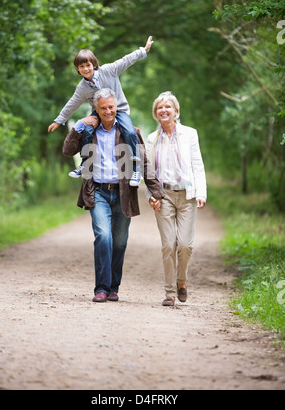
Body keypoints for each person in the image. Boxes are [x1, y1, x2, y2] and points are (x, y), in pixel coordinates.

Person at [62, 88, 164, 303]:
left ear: (116, 107)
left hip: (122, 193)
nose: (108, 111)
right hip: (97, 191)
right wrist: (79, 125)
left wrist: (156, 191)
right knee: (103, 236)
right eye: (103, 108)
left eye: (111, 107)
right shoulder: (89, 131)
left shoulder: (129, 132)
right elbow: (68, 150)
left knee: (119, 242)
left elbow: (144, 162)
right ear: (96, 110)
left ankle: (113, 287)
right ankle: (101, 288)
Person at [48, 36, 154, 186]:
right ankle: (84, 163)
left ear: (94, 64)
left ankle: (136, 168)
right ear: (78, 69)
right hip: (98, 112)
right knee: (87, 130)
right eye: (81, 67)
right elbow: (73, 103)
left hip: (120, 109)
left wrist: (143, 50)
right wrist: (59, 120)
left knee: (130, 132)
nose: (85, 69)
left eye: (88, 65)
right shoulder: (82, 88)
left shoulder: (109, 70)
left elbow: (125, 60)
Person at [146, 91, 207, 307]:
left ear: (176, 111)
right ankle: (170, 292)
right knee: (168, 246)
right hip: (164, 196)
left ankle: (182, 281)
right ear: (156, 113)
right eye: (159, 108)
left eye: (167, 107)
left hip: (187, 194)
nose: (163, 110)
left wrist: (201, 192)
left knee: (184, 245)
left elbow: (197, 165)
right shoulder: (152, 139)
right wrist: (151, 196)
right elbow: (149, 172)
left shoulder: (190, 134)